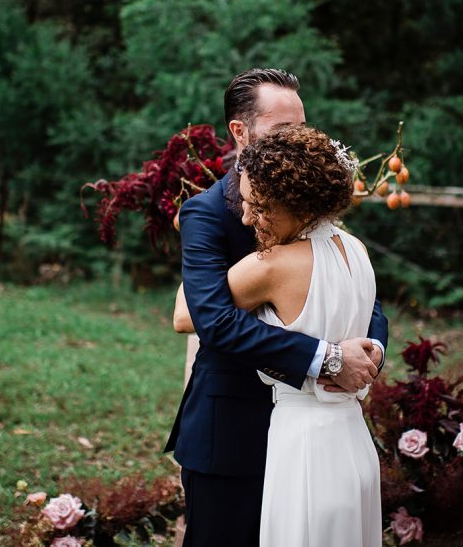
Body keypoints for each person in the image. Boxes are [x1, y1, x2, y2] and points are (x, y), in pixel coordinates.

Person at [164, 68, 388, 547]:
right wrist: (328, 358)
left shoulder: (330, 225)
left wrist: (370, 356)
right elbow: (210, 319)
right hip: (232, 431)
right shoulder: (207, 212)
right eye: (284, 131)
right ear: (240, 133)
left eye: (303, 129)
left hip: (321, 434)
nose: (299, 140)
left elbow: (368, 302)